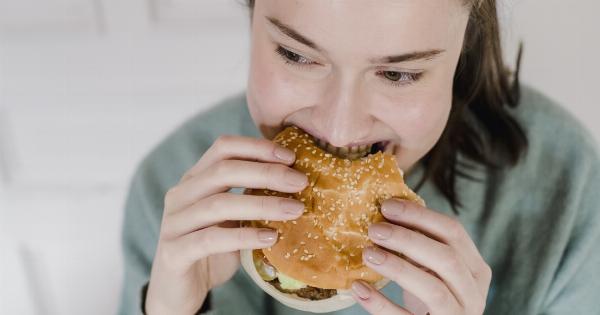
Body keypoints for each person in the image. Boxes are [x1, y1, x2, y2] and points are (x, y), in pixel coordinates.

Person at [117, 1, 600, 314]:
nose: (340, 129)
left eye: (399, 75)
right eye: (295, 54)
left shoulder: (570, 187)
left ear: (463, 53)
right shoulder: (173, 190)